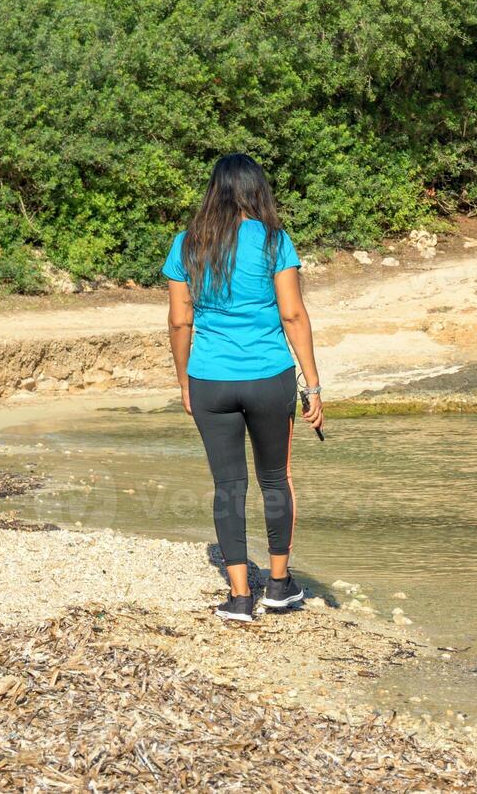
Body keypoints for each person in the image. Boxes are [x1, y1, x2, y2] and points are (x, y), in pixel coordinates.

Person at [162, 153, 326, 622]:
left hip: (210, 378)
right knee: (275, 479)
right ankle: (278, 585)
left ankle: (238, 598)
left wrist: (183, 381)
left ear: (214, 190)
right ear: (257, 190)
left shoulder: (187, 243)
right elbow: (293, 314)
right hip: (267, 375)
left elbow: (179, 320)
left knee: (228, 486)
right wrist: (312, 384)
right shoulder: (275, 241)